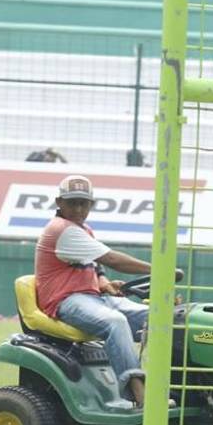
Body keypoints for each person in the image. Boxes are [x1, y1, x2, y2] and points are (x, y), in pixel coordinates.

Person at [35, 174, 171, 408]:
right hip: (66, 301)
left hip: (94, 297)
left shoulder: (83, 229)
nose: (78, 208)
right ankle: (139, 395)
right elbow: (111, 259)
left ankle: (172, 385)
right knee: (115, 322)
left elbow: (96, 266)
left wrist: (105, 282)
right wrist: (161, 270)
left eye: (83, 203)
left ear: (91, 205)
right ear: (59, 202)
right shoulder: (62, 230)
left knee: (160, 319)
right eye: (72, 202)